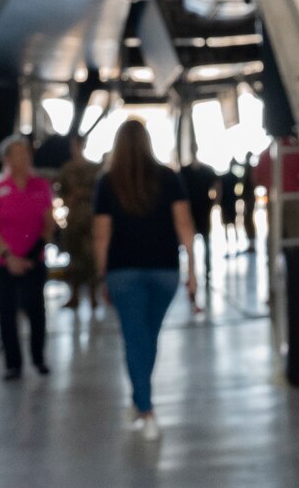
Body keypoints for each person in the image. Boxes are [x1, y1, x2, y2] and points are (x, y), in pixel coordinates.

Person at [94, 122, 199, 440]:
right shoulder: (168, 178)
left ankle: (147, 408)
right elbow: (184, 225)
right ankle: (141, 401)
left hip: (123, 272)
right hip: (164, 270)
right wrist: (192, 269)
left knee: (135, 338)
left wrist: (102, 275)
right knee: (147, 338)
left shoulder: (108, 182)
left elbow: (102, 235)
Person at [0, 135, 56, 381]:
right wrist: (9, 256)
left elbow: (49, 223)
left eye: (26, 153)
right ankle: (13, 363)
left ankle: (39, 357)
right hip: (2, 261)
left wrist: (30, 255)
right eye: (17, 154)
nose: (23, 158)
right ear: (6, 159)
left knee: (36, 310)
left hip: (32, 258)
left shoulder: (41, 186)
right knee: (7, 313)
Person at [55, 133, 101, 313]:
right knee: (74, 259)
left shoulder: (94, 169)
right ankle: (74, 296)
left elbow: (98, 193)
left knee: (91, 259)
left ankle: (92, 296)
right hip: (74, 220)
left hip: (90, 220)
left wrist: (83, 194)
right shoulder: (66, 169)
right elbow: (63, 194)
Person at [180, 156, 219, 290]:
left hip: (199, 212)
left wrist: (215, 201)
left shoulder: (205, 170)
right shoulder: (188, 171)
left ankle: (202, 274)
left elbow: (217, 184)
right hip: (195, 212)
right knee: (192, 245)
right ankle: (194, 275)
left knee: (199, 244)